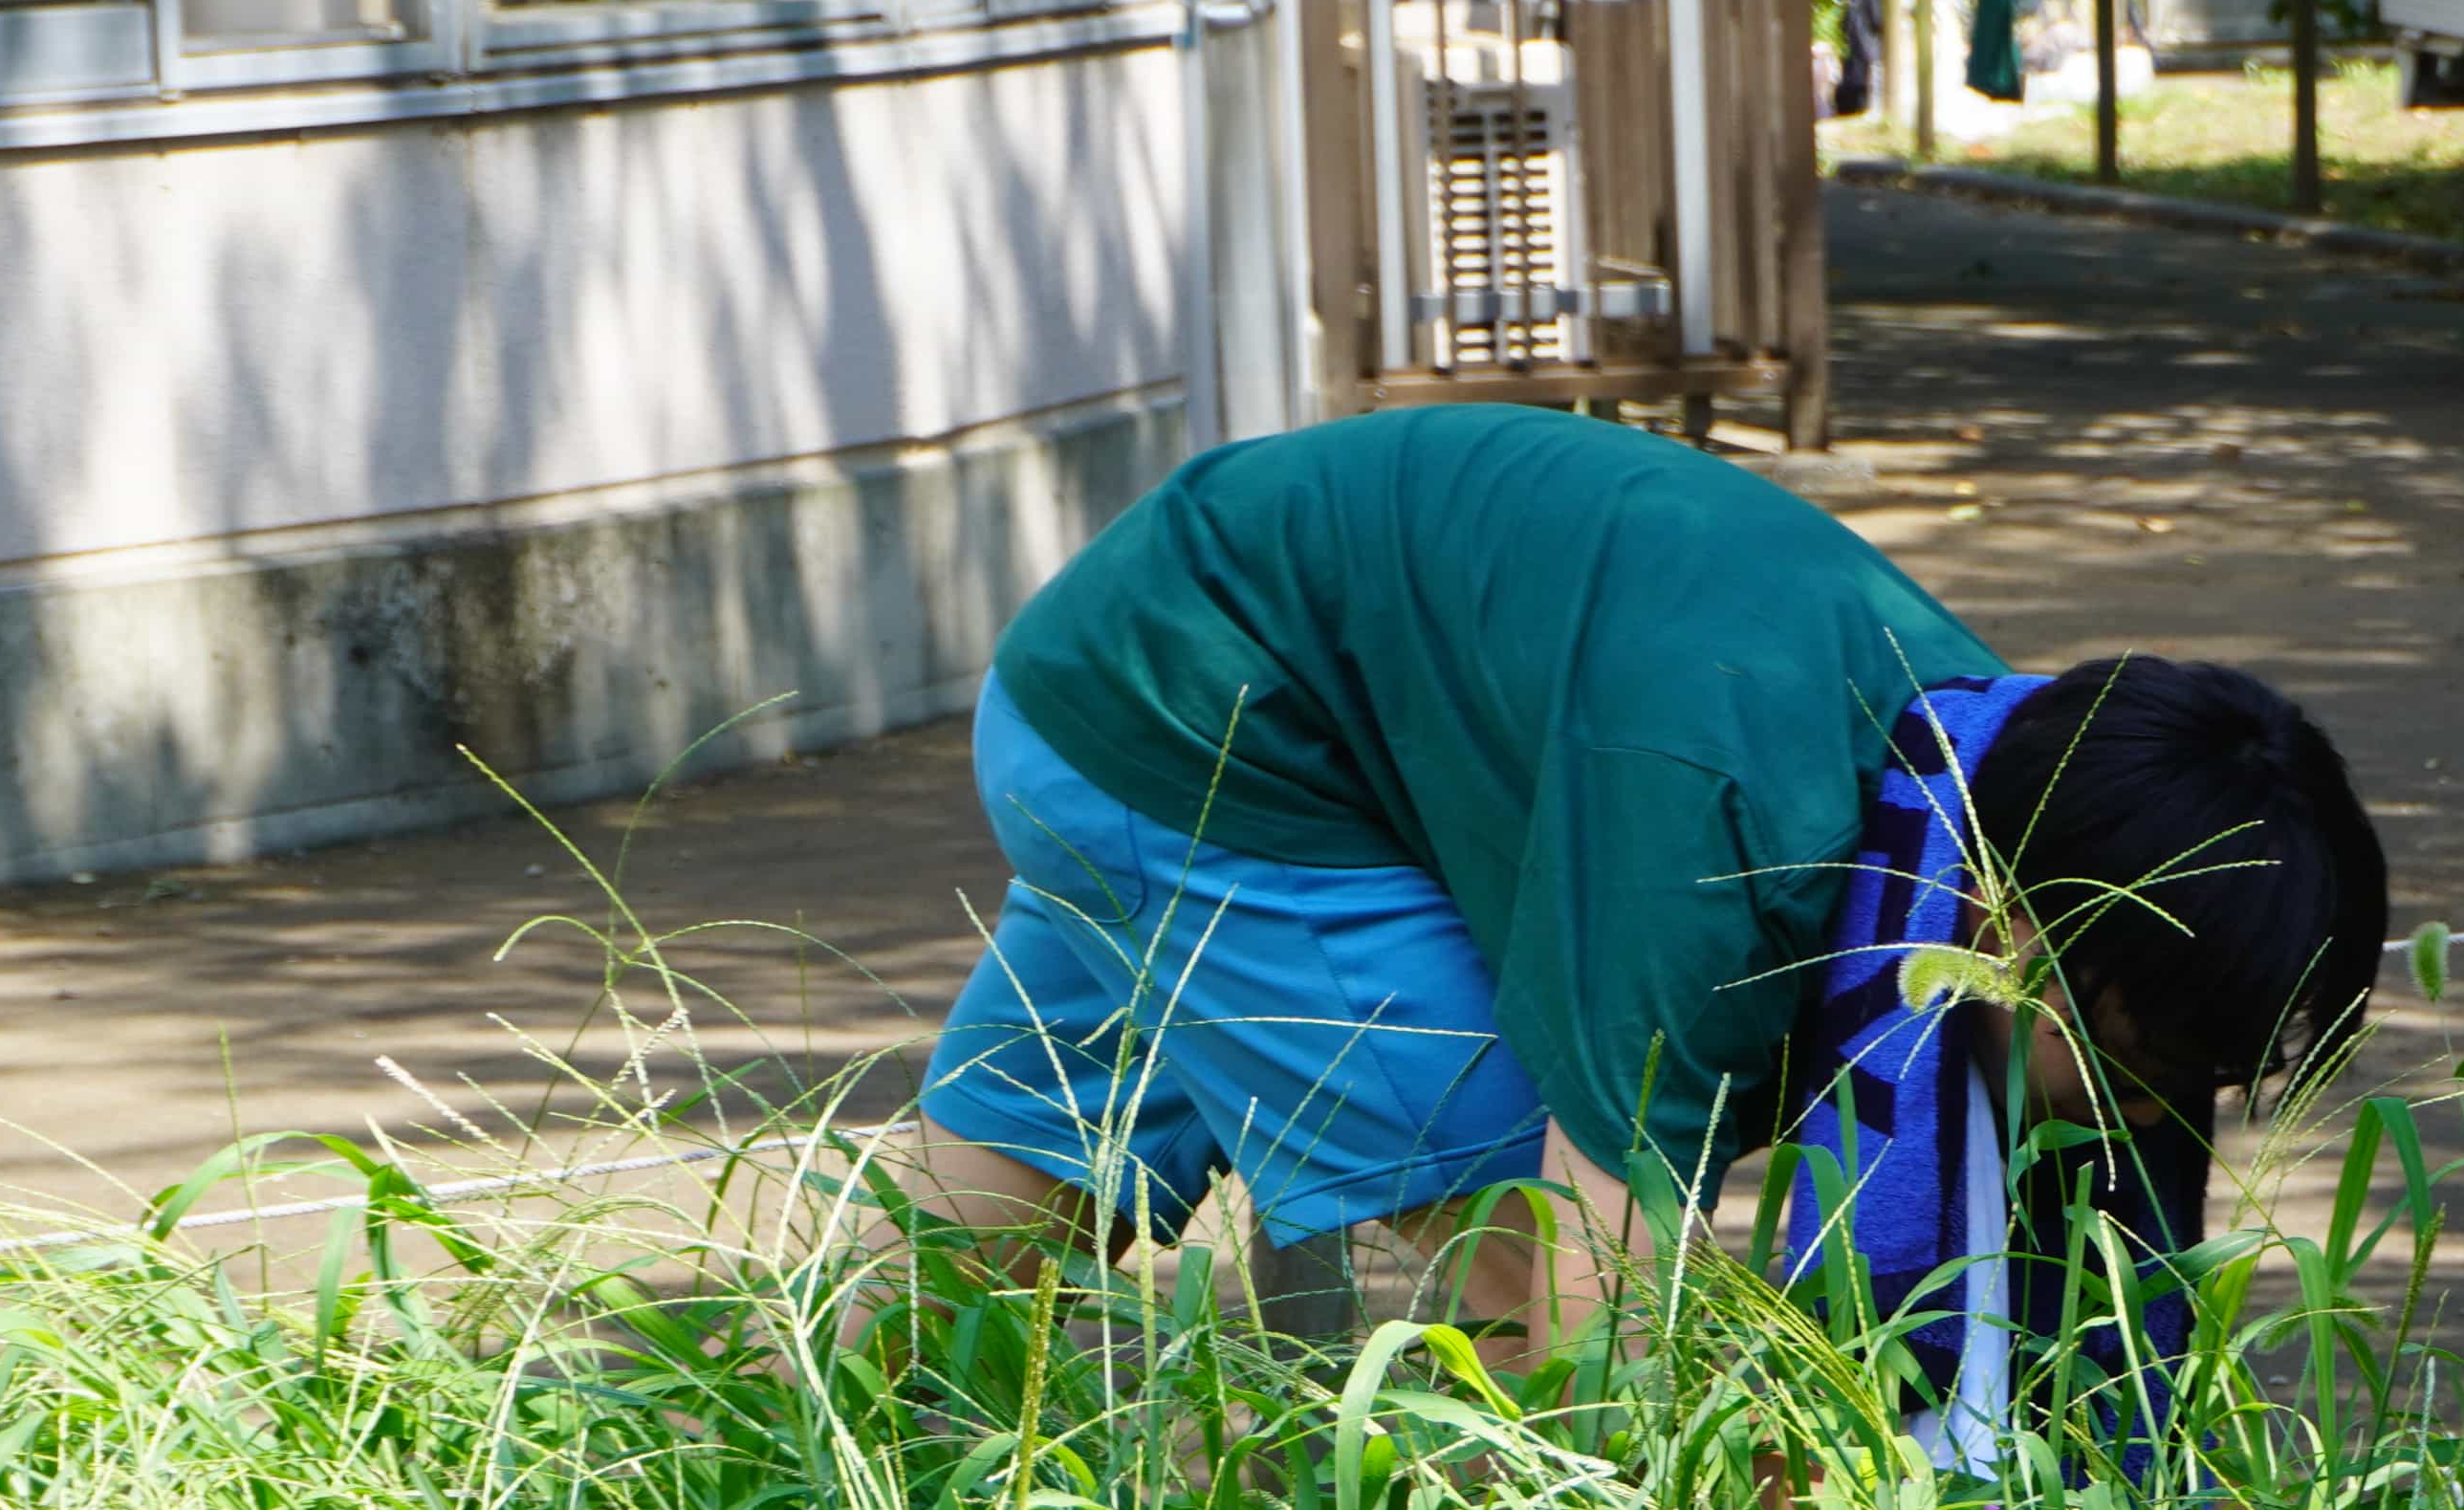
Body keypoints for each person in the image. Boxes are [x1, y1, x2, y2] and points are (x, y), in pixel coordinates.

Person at [901, 405, 2387, 1452]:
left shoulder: (2022, 777)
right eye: (2127, 1068)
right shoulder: (1726, 848)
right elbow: (1587, 1305)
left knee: (1001, 1201)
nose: (2134, 1124)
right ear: (2004, 924)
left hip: (1217, 661)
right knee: (1528, 1286)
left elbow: (2124, 1320)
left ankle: (763, 1489)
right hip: (1210, 717)